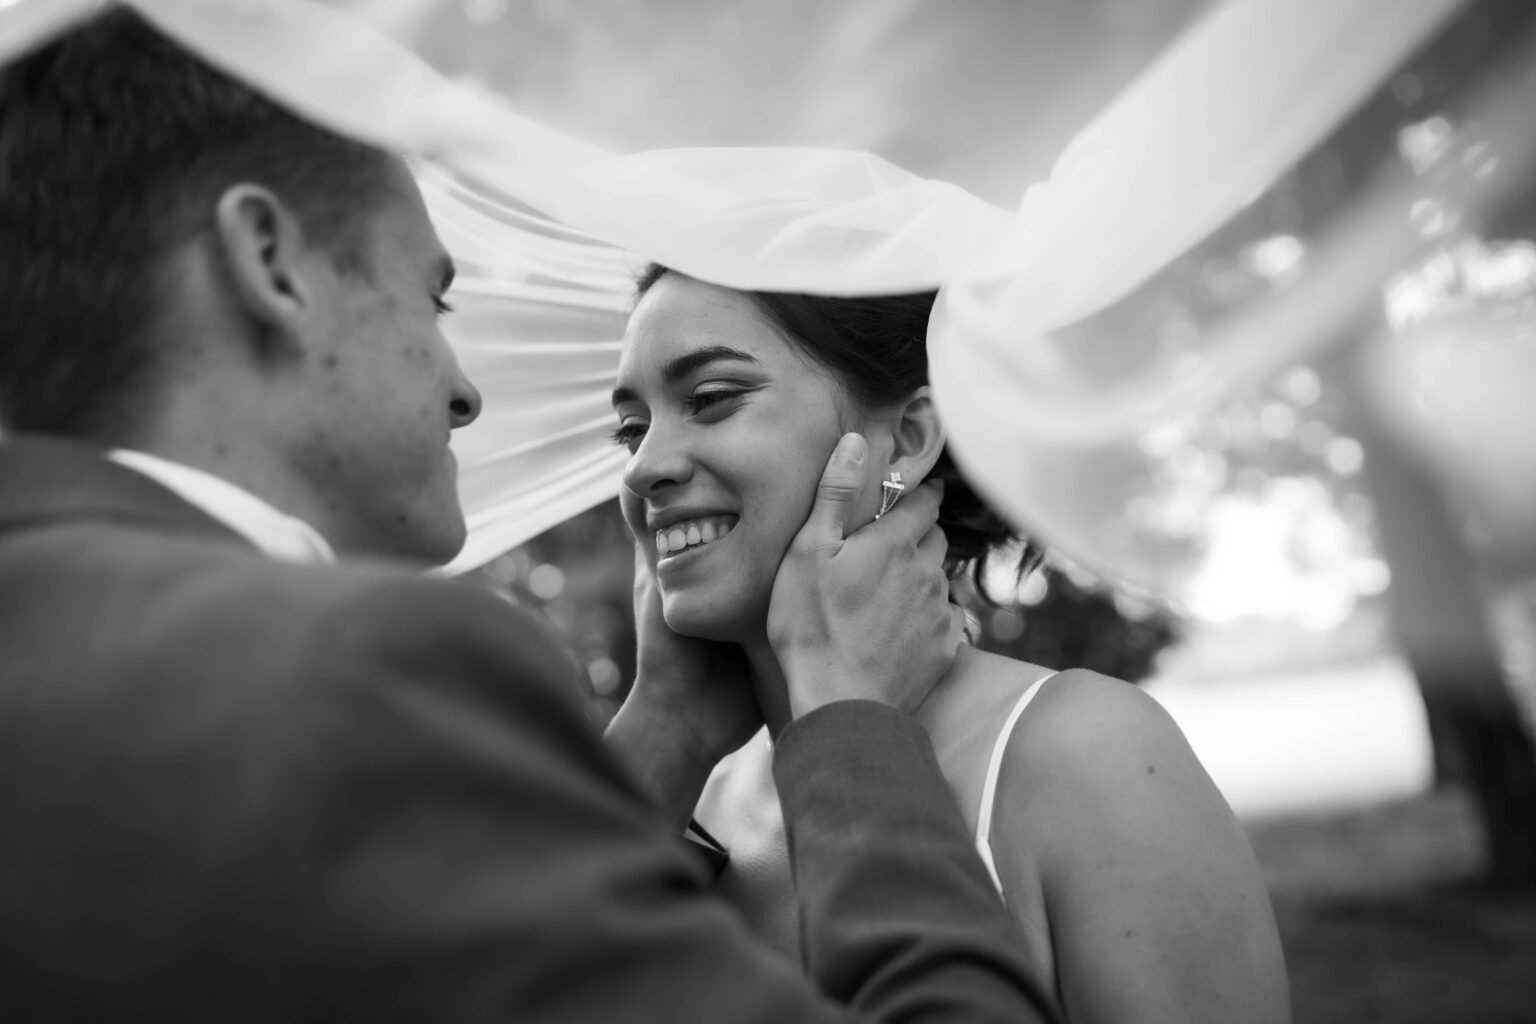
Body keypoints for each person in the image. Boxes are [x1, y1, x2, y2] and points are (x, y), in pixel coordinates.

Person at [0, 10, 1058, 1022]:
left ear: (908, 435)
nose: (464, 392)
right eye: (433, 297)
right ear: (270, 261)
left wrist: (667, 728)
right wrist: (851, 725)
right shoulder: (351, 673)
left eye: (714, 397)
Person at [611, 264, 1294, 1024]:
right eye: (630, 430)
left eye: (709, 400)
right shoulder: (694, 799)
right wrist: (662, 717)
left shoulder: (1087, 756)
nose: (642, 467)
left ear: (904, 440)